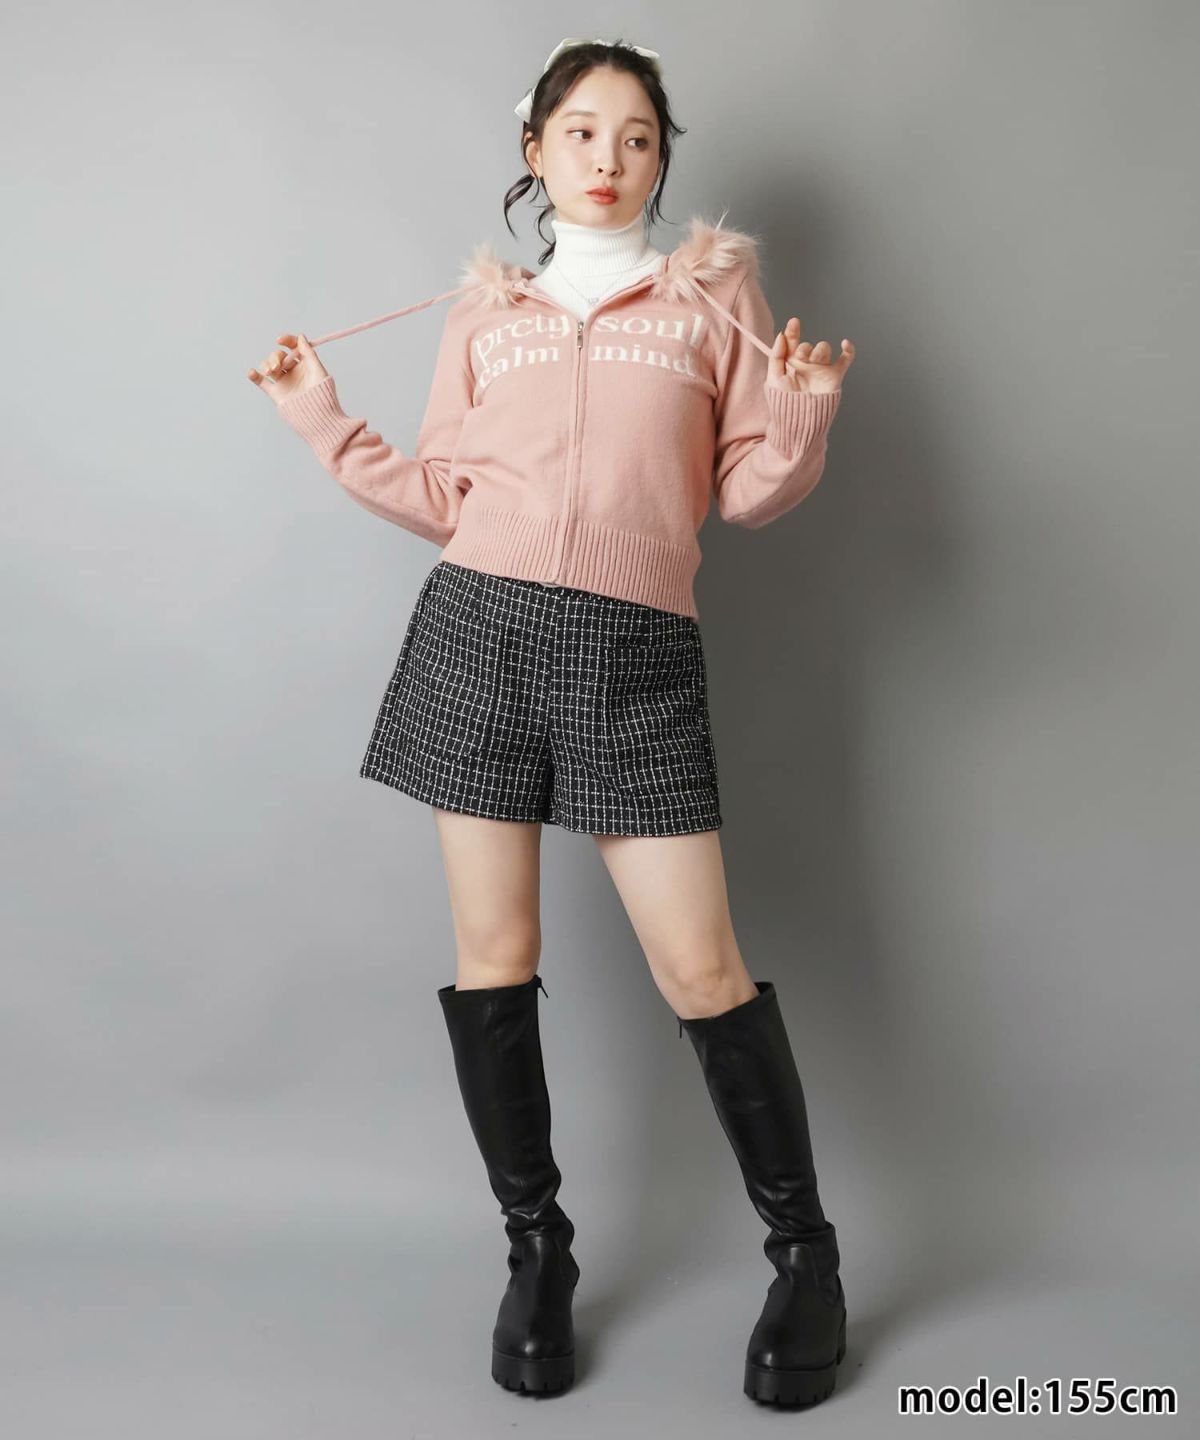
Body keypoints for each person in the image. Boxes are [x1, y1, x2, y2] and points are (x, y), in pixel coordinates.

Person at [248, 36, 855, 1410]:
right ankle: (538, 1250)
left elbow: (748, 491)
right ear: (536, 149)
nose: (609, 158)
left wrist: (806, 417)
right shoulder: (489, 314)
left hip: (637, 651)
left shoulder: (711, 298)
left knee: (701, 966)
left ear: (661, 157)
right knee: (494, 957)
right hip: (479, 635)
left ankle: (806, 1258)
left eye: (637, 136)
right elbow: (445, 498)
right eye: (582, 132)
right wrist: (320, 422)